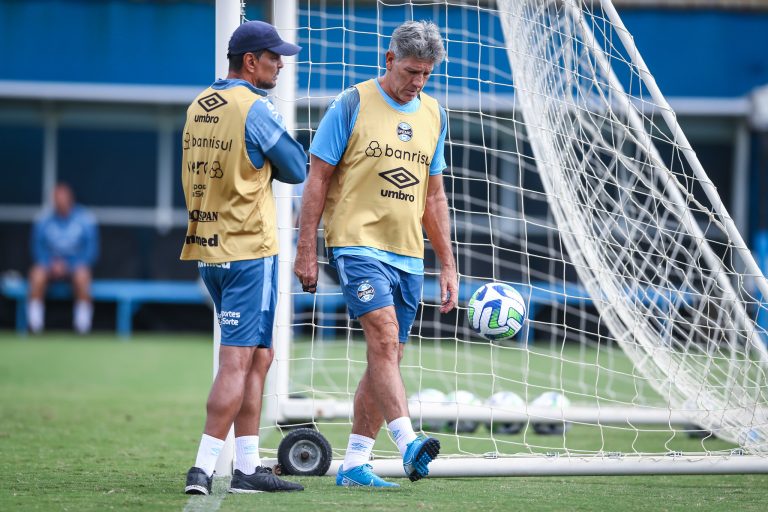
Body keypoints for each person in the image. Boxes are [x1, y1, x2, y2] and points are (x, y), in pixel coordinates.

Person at [294, 20, 458, 488]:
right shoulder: (351, 103)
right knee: (385, 341)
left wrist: (447, 263)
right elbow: (318, 179)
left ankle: (354, 464)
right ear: (388, 60)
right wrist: (306, 248)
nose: (417, 83)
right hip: (355, 243)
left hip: (408, 255)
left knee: (386, 357)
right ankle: (408, 442)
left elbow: (433, 196)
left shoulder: (434, 115)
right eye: (410, 71)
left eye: (426, 74)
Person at [181, 20, 306, 495]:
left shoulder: (199, 105)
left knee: (259, 356)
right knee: (237, 361)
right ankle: (202, 467)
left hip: (208, 250)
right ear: (250, 62)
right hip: (248, 250)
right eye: (274, 57)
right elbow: (295, 168)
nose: (280, 65)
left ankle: (249, 469)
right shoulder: (254, 107)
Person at [28, 183, 98, 334]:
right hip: (50, 267)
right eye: (57, 199)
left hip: (75, 266)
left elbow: (91, 250)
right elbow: (37, 247)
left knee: (83, 275)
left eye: (63, 199)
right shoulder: (44, 220)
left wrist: (70, 265)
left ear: (70, 199)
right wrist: (49, 264)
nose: (60, 202)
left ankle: (82, 325)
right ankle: (35, 325)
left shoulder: (84, 219)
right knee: (36, 274)